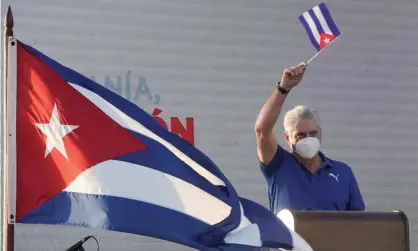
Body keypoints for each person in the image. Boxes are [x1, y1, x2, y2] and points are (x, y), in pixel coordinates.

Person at [254, 62, 365, 215]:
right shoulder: (278, 166)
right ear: (288, 137)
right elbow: (262, 130)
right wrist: (283, 88)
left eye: (313, 133)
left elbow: (359, 224)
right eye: (300, 135)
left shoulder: (343, 172)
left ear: (320, 133)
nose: (308, 139)